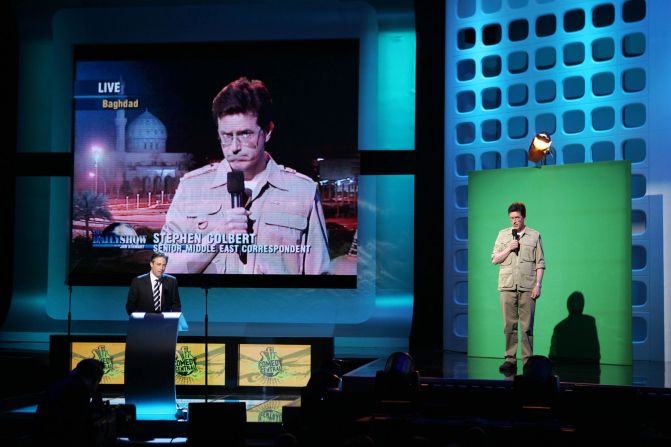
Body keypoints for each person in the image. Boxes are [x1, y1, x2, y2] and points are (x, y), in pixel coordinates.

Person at [160, 77, 330, 275]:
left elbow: (319, 280)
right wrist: (217, 237)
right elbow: (164, 269)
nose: (234, 147)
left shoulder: (302, 191)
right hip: (210, 306)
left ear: (267, 131)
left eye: (246, 134)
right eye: (226, 135)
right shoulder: (191, 188)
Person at [491, 202, 545, 374]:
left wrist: (538, 285)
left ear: (524, 217)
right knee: (509, 325)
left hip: (528, 287)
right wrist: (509, 248)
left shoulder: (535, 236)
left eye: (517, 218)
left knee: (527, 326)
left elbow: (540, 263)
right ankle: (510, 359)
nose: (514, 221)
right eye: (512, 218)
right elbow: (494, 259)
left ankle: (528, 360)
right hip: (507, 286)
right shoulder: (503, 235)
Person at [33, 358, 105, 447]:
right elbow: (80, 426)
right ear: (95, 379)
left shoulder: (63, 384)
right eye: (99, 380)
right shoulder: (79, 391)